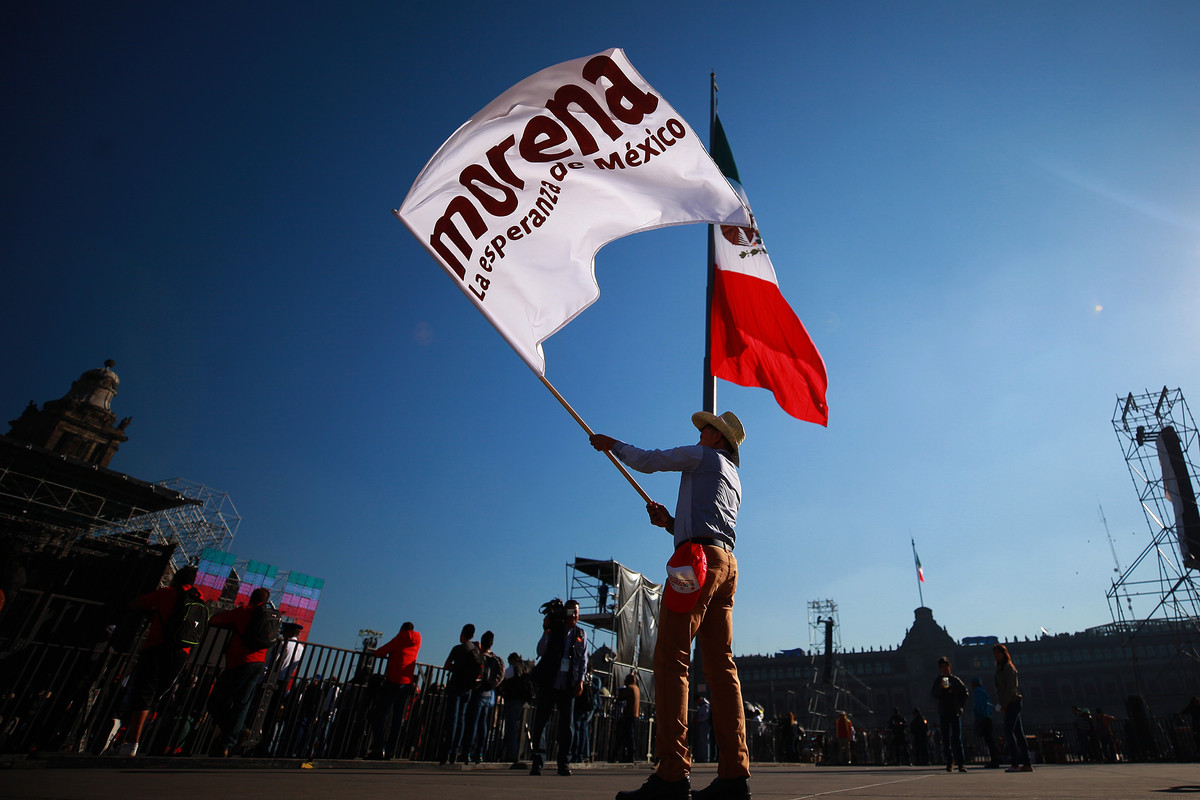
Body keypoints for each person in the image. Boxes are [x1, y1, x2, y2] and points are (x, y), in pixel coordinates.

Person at [592, 410, 750, 800]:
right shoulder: (733, 477)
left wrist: (613, 446)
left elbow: (650, 460)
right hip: (725, 564)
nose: (700, 434)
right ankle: (734, 776)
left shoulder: (701, 457)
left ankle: (672, 774)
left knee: (670, 658)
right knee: (720, 667)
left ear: (717, 439)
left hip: (695, 561)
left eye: (706, 430)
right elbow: (706, 523)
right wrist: (670, 523)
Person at [109, 565, 202, 756]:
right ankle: (137, 737)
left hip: (158, 646)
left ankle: (130, 741)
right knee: (157, 696)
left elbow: (135, 604)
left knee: (143, 694)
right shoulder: (199, 599)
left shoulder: (167, 593)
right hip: (182, 652)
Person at [207, 587, 275, 757]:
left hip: (240, 662)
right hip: (259, 662)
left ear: (251, 598)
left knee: (215, 703)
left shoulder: (244, 611)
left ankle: (235, 734)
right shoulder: (270, 616)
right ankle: (231, 739)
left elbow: (215, 620)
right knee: (242, 704)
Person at [528, 598, 587, 776]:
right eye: (570, 611)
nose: (574, 615)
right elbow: (540, 651)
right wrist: (546, 631)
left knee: (567, 727)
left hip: (568, 684)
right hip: (550, 682)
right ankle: (538, 762)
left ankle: (564, 763)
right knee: (541, 723)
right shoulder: (554, 630)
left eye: (576, 612)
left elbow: (584, 660)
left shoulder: (581, 634)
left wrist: (581, 680)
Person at [368, 621, 421, 759]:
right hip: (407, 682)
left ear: (402, 629)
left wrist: (372, 652)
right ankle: (391, 749)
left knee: (378, 715)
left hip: (394, 681)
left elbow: (381, 652)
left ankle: (379, 746)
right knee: (398, 719)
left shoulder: (400, 637)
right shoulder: (417, 639)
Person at [439, 623, 482, 765]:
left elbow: (447, 665)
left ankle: (446, 751)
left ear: (462, 634)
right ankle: (455, 751)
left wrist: (456, 669)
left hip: (455, 686)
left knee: (453, 719)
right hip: (468, 688)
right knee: (461, 720)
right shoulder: (475, 649)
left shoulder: (457, 648)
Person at [464, 630, 505, 763]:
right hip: (489, 694)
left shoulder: (479, 657)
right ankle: (480, 753)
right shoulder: (495, 659)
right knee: (483, 725)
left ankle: (467, 752)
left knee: (472, 723)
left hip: (477, 692)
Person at [994, 643, 1033, 772]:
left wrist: (1004, 705)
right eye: (994, 653)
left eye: (997, 653)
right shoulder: (1000, 668)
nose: (995, 655)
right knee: (1019, 734)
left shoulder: (1008, 668)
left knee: (1008, 731)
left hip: (1012, 702)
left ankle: (1015, 763)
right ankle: (1027, 763)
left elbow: (1010, 688)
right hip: (1009, 703)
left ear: (1003, 654)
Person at [930, 656, 968, 772]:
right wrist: (940, 688)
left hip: (954, 711)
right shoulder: (938, 680)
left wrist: (960, 706)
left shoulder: (955, 680)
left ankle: (961, 763)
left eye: (945, 666)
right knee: (945, 739)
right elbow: (934, 694)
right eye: (942, 667)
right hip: (944, 711)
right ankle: (949, 762)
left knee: (957, 738)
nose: (944, 669)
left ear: (950, 667)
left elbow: (965, 692)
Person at [501, 652, 533, 768]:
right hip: (522, 700)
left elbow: (503, 679)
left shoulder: (512, 668)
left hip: (513, 698)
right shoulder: (525, 668)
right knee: (517, 727)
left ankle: (511, 754)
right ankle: (516, 752)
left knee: (510, 726)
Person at [970, 677, 1000, 768]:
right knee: (991, 739)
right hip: (988, 717)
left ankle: (994, 761)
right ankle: (995, 759)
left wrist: (979, 717)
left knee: (989, 740)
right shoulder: (983, 691)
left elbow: (979, 705)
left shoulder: (977, 692)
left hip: (983, 718)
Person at [614, 671, 641, 762]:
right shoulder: (636, 688)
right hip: (635, 715)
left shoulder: (630, 688)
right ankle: (630, 755)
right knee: (630, 736)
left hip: (630, 715)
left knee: (628, 736)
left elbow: (621, 697)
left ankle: (628, 756)